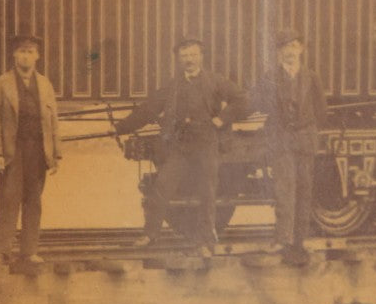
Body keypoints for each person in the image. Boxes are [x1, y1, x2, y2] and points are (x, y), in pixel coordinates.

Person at [114, 37, 248, 256]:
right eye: (184, 56)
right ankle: (150, 234)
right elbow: (148, 110)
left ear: (201, 56)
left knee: (207, 192)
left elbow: (241, 100)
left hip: (207, 146)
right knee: (161, 187)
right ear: (178, 59)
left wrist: (221, 119)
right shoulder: (173, 86)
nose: (189, 60)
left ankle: (205, 242)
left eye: (193, 54)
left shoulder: (215, 81)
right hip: (180, 148)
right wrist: (119, 128)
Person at [0, 33, 62, 266]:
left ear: (37, 56)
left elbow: (53, 121)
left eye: (30, 52)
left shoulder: (45, 85)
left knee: (33, 200)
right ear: (14, 55)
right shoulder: (1, 84)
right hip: (12, 151)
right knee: (9, 199)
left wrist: (55, 153)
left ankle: (29, 251)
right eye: (21, 51)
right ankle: (0, 251)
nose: (26, 56)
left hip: (38, 151)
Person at [252, 30, 328, 263]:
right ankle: (282, 239)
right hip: (281, 140)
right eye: (285, 47)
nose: (290, 51)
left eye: (294, 46)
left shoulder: (311, 77)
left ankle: (300, 240)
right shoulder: (270, 78)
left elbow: (321, 110)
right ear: (279, 52)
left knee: (304, 190)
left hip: (304, 140)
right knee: (284, 191)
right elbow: (258, 104)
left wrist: (309, 131)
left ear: (301, 50)